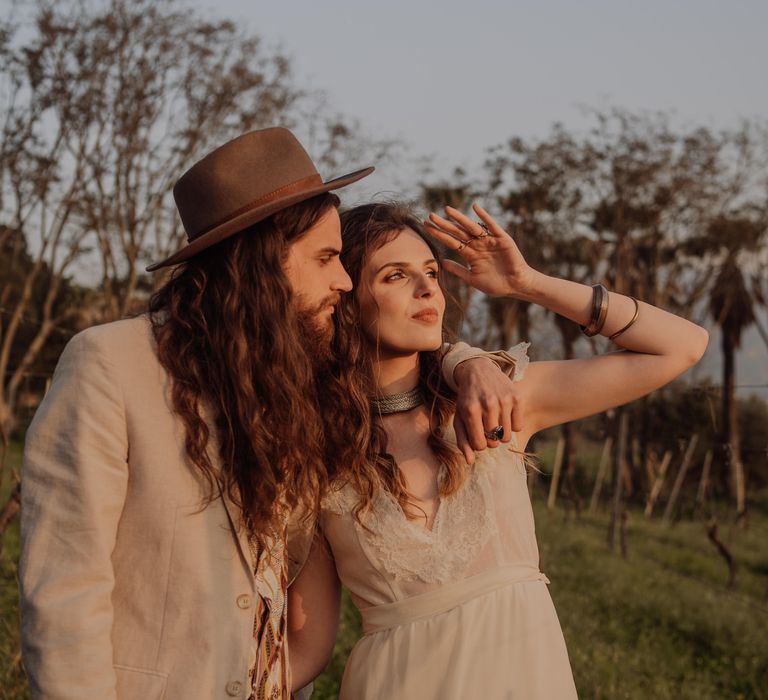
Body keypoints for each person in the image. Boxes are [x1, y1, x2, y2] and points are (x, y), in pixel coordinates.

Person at [18, 128, 522, 700]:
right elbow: (65, 592)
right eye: (327, 258)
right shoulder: (111, 363)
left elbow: (406, 344)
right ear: (258, 262)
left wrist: (468, 362)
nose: (345, 279)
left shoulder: (296, 377)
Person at [286, 201, 709, 698]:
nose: (427, 289)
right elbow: (307, 647)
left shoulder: (502, 403)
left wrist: (528, 284)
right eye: (395, 276)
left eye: (430, 273)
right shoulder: (315, 449)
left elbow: (682, 345)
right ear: (347, 297)